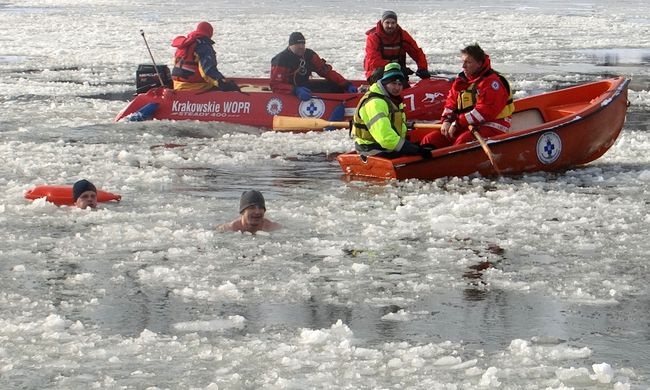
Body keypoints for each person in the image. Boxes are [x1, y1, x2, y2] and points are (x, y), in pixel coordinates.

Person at [420, 43, 514, 149]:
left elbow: (484, 112)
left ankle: (454, 164)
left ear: (479, 63)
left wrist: (458, 123)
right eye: (463, 62)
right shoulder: (462, 81)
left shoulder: (492, 83)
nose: (463, 66)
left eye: (468, 62)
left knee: (463, 141)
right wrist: (447, 120)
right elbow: (451, 103)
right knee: (430, 139)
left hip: (493, 124)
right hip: (466, 123)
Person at [351, 63, 433, 159]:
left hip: (387, 147)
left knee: (429, 147)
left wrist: (412, 146)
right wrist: (414, 150)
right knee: (423, 152)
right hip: (372, 151)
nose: (397, 88)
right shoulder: (376, 103)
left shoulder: (394, 100)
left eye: (400, 84)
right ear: (385, 83)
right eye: (393, 83)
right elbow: (385, 138)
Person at [270, 32, 358, 101]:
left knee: (336, 87)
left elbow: (326, 72)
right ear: (291, 45)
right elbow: (275, 85)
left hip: (305, 87)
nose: (301, 47)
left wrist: (346, 84)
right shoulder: (281, 59)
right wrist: (295, 90)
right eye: (298, 44)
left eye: (303, 44)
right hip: (290, 91)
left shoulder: (309, 55)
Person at [363, 11, 430, 84]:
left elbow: (416, 52)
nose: (390, 26)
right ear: (382, 23)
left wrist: (422, 68)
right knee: (382, 76)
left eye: (393, 23)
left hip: (397, 71)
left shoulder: (402, 35)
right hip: (376, 72)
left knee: (401, 86)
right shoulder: (373, 37)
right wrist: (397, 67)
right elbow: (374, 61)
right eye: (387, 23)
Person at [170, 21, 240, 92]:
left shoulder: (185, 43)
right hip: (195, 86)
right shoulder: (203, 46)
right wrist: (222, 83)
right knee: (223, 88)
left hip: (177, 85)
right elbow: (207, 71)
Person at [217, 190, 281, 234]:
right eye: (252, 208)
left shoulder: (273, 228)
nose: (257, 212)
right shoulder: (229, 229)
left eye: (261, 207)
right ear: (242, 212)